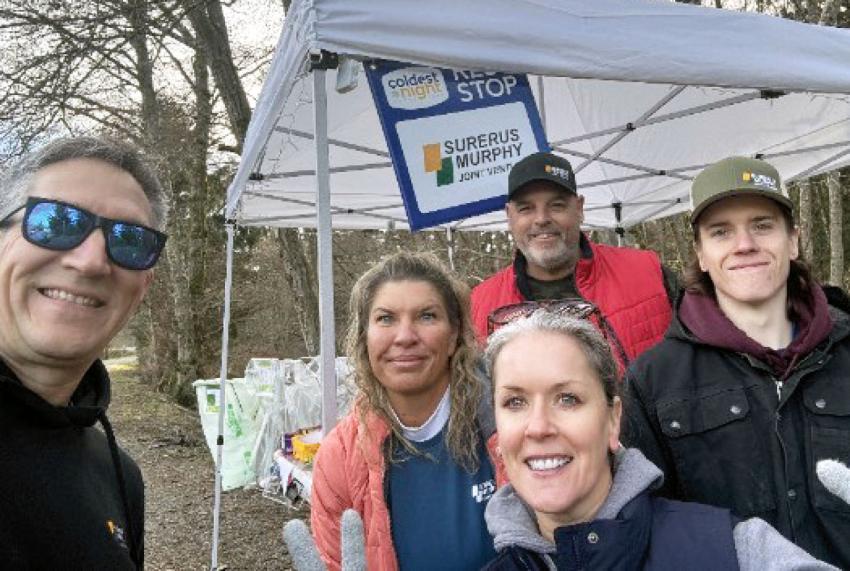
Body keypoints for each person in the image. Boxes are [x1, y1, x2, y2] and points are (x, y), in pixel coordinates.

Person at [623, 156, 850, 568]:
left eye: (762, 225)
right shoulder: (653, 381)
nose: (744, 244)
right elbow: (645, 528)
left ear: (793, 240)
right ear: (701, 254)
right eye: (721, 231)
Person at [481, 310, 836, 570]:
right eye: (515, 402)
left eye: (568, 399)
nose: (538, 426)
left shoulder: (730, 551)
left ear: (612, 419)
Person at [0, 136, 167, 568]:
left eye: (130, 239)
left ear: (142, 287)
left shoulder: (119, 476)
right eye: (57, 221)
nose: (92, 261)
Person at [309, 252, 505, 571]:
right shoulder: (339, 458)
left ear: (455, 335)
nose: (404, 337)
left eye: (426, 316)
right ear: (364, 337)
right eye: (385, 318)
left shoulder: (507, 424)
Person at [470, 151, 677, 361]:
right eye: (526, 209)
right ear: (509, 216)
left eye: (556, 206)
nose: (541, 219)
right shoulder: (479, 305)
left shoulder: (648, 272)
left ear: (579, 208)